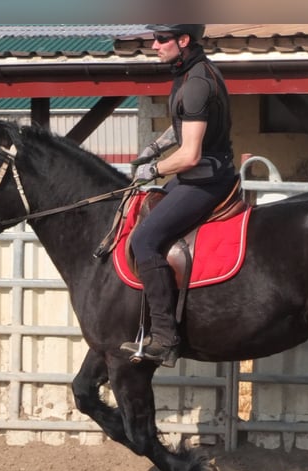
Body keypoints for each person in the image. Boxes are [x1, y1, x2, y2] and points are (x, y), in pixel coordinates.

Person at [119, 24, 236, 368]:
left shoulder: (197, 84)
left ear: (183, 41)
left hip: (203, 181)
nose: (154, 45)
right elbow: (184, 124)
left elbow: (190, 155)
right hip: (196, 177)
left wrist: (153, 170)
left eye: (161, 39)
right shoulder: (191, 73)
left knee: (144, 240)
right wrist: (154, 147)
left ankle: (167, 339)